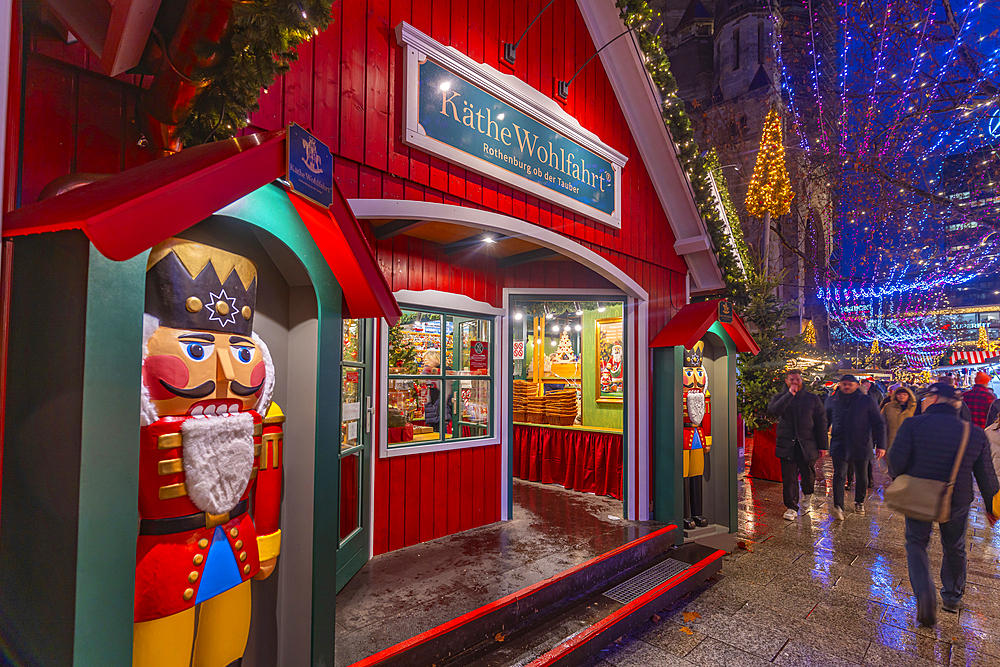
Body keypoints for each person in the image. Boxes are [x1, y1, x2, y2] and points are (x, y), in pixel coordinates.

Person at [888, 383, 999, 626]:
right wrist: (993, 506)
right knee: (955, 545)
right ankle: (952, 597)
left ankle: (925, 595)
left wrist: (902, 478)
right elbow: (986, 474)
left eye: (926, 396)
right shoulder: (974, 433)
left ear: (935, 398)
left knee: (916, 543)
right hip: (956, 499)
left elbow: (895, 463)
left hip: (919, 494)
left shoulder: (913, 425)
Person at [768, 369, 828, 521]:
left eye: (797, 380)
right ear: (786, 382)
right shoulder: (780, 397)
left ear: (802, 381)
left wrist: (823, 446)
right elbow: (773, 411)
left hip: (807, 444)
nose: (795, 382)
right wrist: (789, 395)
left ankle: (807, 494)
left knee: (808, 475)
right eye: (791, 380)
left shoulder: (813, 399)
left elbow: (821, 422)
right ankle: (791, 507)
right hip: (787, 444)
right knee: (789, 478)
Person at [827, 374, 886, 519]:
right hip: (840, 443)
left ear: (855, 385)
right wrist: (821, 443)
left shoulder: (867, 400)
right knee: (839, 474)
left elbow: (878, 423)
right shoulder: (833, 400)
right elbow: (825, 421)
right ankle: (838, 505)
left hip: (862, 443)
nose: (847, 386)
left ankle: (859, 501)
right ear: (840, 384)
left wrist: (881, 445)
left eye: (850, 384)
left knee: (862, 475)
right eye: (844, 384)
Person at [882, 386, 916, 451]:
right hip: (891, 439)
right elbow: (882, 422)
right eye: (899, 394)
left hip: (909, 439)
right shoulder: (888, 407)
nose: (901, 396)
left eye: (904, 394)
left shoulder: (915, 407)